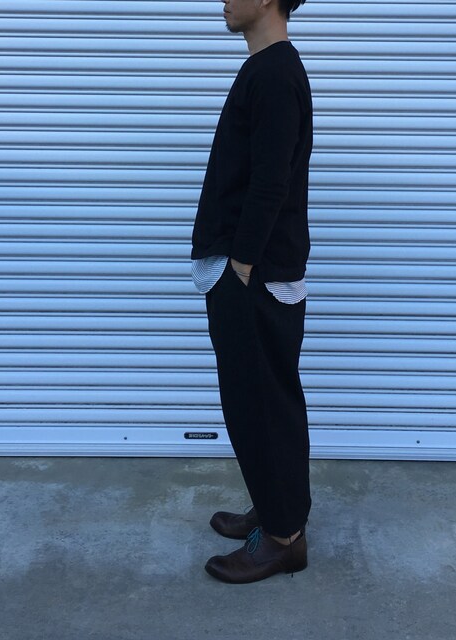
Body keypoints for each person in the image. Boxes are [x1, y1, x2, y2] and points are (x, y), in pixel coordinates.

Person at [191, 0, 312, 584]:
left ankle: (284, 540)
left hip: (255, 273)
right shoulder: (267, 69)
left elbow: (271, 181)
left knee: (261, 404)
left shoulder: (276, 73)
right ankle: (276, 509)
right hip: (254, 269)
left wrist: (240, 266)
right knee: (261, 401)